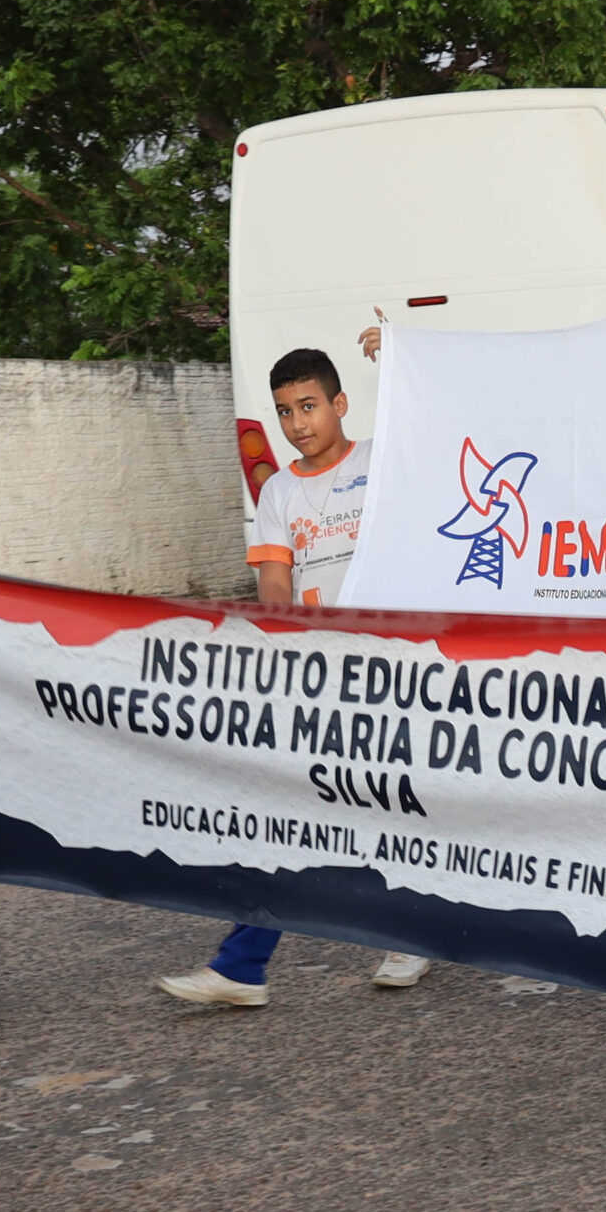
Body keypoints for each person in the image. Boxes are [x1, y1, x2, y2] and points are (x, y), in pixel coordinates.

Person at [158, 343, 433, 1004]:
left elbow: (436, 425)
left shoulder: (381, 461)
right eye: (284, 411)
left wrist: (401, 352)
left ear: (340, 404)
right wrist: (282, 648)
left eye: (309, 406)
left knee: (390, 802)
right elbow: (275, 580)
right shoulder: (279, 492)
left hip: (396, 666)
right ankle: (243, 966)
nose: (297, 423)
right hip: (322, 671)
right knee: (301, 808)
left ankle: (409, 933)